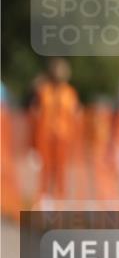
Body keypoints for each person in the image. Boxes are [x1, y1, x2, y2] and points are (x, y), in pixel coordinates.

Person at [30, 57, 81, 203]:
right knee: (45, 172)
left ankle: (58, 201)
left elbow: (76, 115)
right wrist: (33, 144)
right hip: (44, 137)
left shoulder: (70, 93)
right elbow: (35, 115)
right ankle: (44, 202)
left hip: (63, 138)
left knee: (60, 173)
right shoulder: (43, 91)